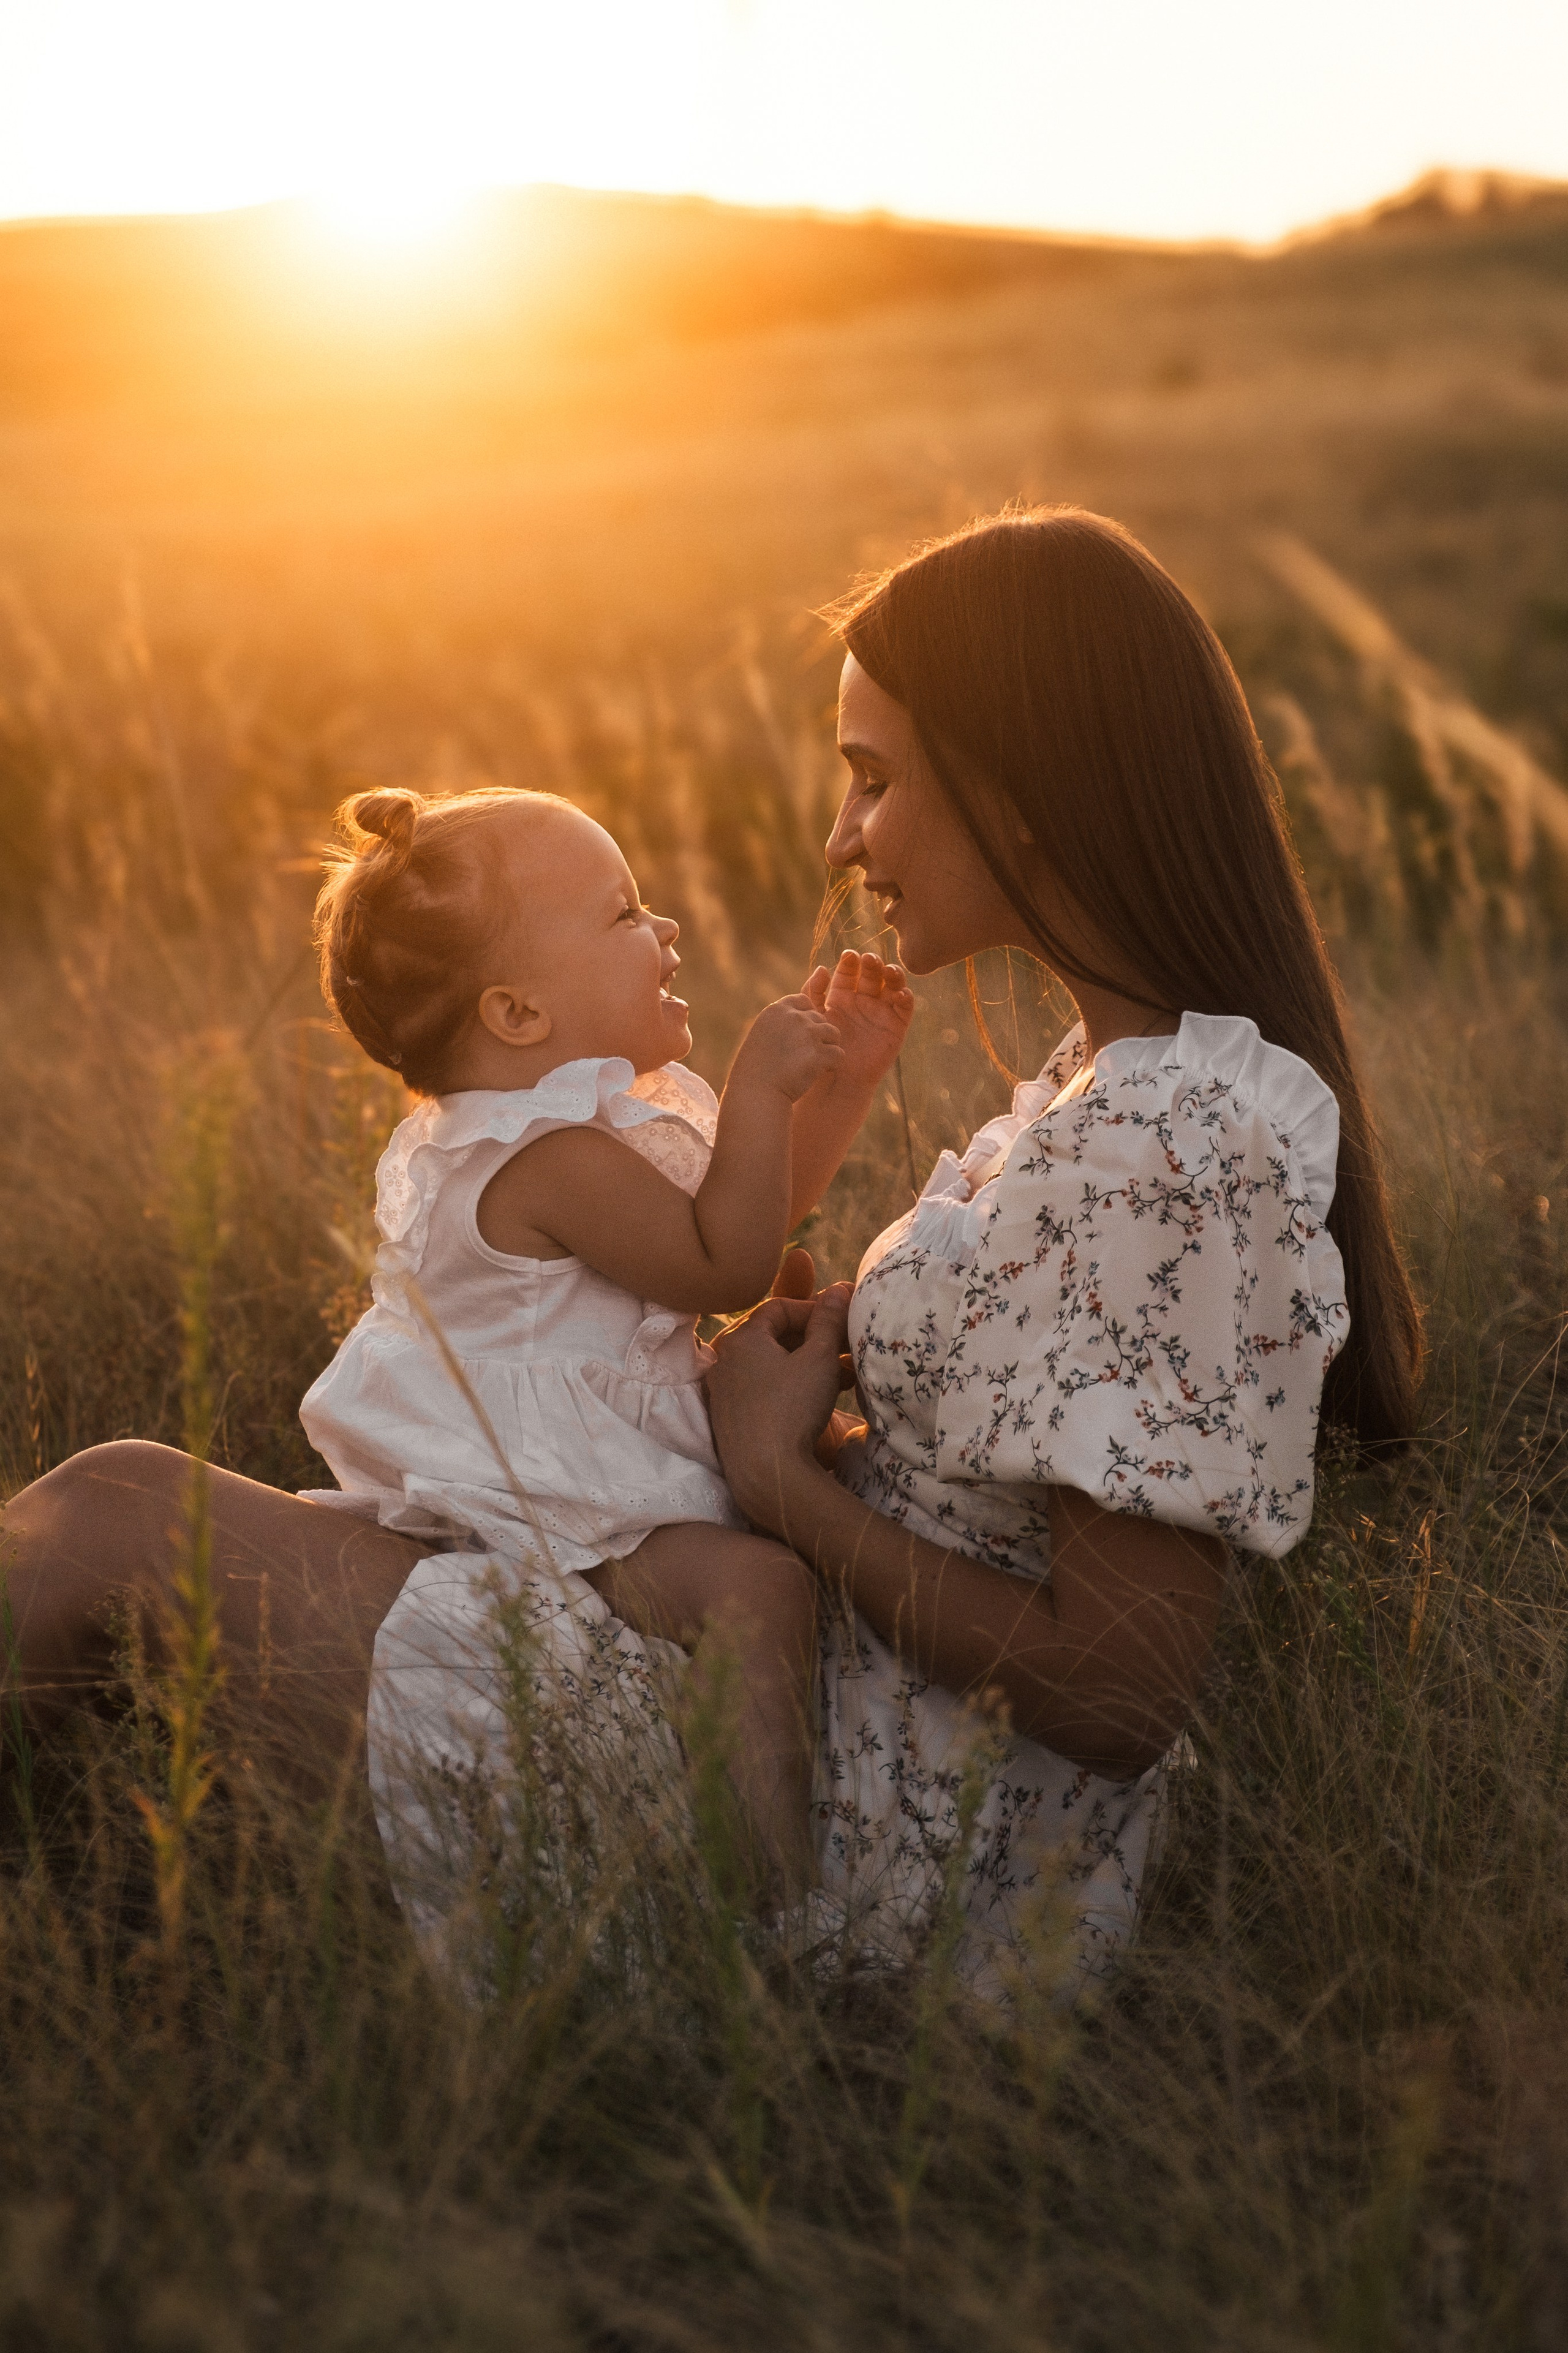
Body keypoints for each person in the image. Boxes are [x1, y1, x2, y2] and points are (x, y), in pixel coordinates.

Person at [0, 507, 1421, 1999]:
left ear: (1014, 782)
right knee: (129, 1539)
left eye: (871, 779)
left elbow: (1118, 1693)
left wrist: (784, 1482)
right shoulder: (1114, 1083)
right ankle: (112, 1935)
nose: (839, 835)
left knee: (106, 1518)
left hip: (845, 1832)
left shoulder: (1168, 1137)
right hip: (791, 1702)